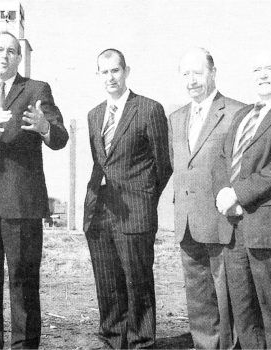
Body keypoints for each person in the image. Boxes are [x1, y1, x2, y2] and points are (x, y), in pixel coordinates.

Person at [0, 31, 69, 349]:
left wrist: (46, 128)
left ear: (19, 58)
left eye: (11, 51)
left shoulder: (35, 90)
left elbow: (60, 137)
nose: (4, 55)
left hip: (22, 203)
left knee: (23, 282)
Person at [212, 51, 271, 349]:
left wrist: (239, 194)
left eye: (270, 69)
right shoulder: (242, 115)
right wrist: (224, 194)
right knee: (244, 309)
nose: (262, 75)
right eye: (256, 69)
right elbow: (223, 158)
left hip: (267, 226)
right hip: (234, 226)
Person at [82, 48, 172, 349]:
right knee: (107, 285)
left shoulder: (148, 109)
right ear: (98, 75)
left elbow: (163, 165)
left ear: (126, 71)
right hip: (100, 212)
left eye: (115, 71)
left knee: (138, 285)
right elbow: (100, 162)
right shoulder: (94, 115)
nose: (110, 77)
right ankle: (111, 341)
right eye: (104, 72)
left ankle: (141, 343)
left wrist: (143, 199)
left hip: (135, 213)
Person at [168, 47, 245, 349]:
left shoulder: (237, 111)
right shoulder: (176, 118)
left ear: (213, 72)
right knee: (198, 299)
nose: (192, 80)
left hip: (222, 222)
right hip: (187, 223)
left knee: (228, 297)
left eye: (198, 72)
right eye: (185, 73)